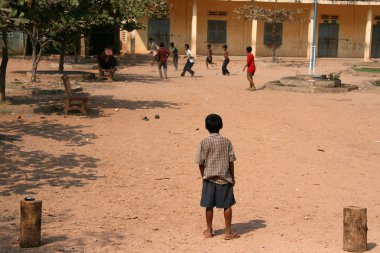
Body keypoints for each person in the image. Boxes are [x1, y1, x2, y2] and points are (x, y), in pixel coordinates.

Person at [195, 114, 240, 240]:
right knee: (227, 205)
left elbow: (200, 162)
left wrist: (203, 176)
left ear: (205, 127)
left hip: (209, 179)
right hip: (224, 179)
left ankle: (209, 230)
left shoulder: (203, 142)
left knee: (209, 206)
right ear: (221, 126)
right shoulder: (226, 142)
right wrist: (232, 176)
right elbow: (231, 161)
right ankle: (228, 232)